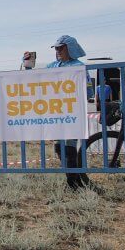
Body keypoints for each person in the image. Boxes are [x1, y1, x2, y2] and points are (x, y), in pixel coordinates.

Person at [47, 34, 88, 189]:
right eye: (56, 48)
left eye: (60, 48)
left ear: (70, 48)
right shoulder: (51, 66)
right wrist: (28, 67)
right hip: (56, 113)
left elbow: (88, 90)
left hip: (72, 112)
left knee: (70, 146)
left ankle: (73, 183)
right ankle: (73, 177)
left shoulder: (78, 66)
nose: (57, 51)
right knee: (59, 147)